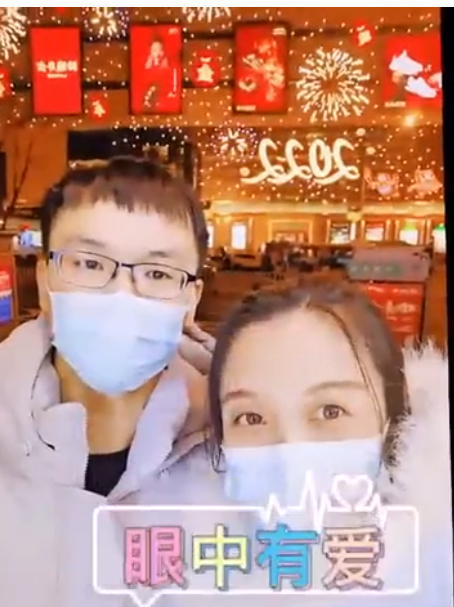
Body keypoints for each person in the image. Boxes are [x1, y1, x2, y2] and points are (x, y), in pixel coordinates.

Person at [151, 281, 452, 606]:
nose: (290, 449)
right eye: (251, 417)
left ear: (395, 419)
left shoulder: (436, 573)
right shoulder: (171, 569)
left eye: (330, 411)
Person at [0, 156, 215, 607]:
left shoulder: (238, 448)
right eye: (89, 264)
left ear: (191, 300)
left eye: (158, 274)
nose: (122, 294)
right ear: (45, 280)